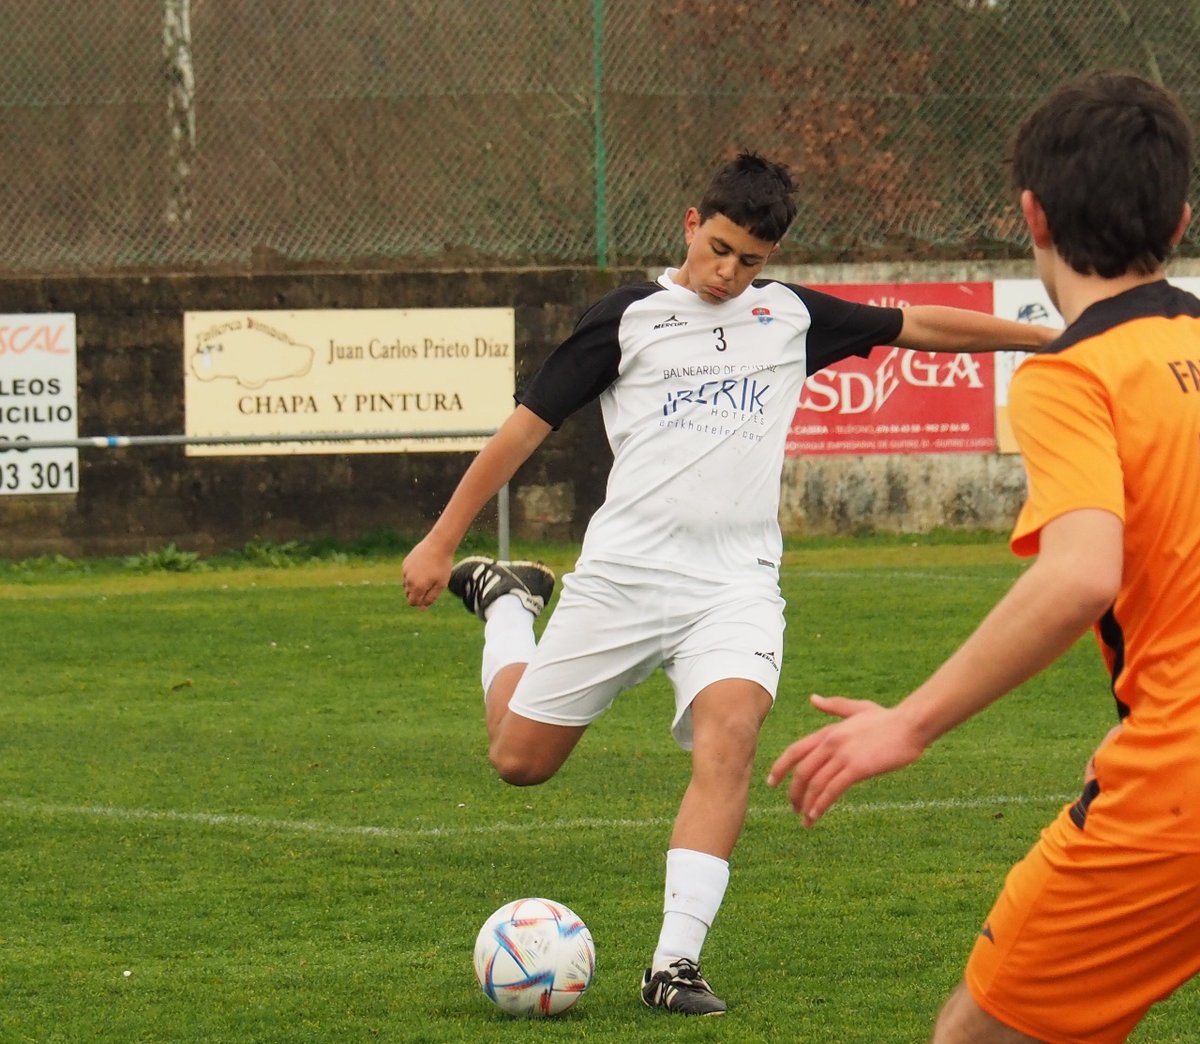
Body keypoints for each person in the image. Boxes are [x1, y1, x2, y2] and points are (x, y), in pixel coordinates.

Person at [403, 151, 1056, 1015]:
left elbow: (919, 326)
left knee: (733, 734)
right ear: (689, 224)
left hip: (733, 587)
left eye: (749, 260)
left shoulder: (786, 316)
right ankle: (509, 605)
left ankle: (673, 964)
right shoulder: (626, 319)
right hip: (623, 580)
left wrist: (1055, 339)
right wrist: (442, 540)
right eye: (717, 249)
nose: (727, 272)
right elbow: (523, 431)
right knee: (518, 761)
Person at [767, 70, 1200, 1043]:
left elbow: (1083, 571)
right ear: (1179, 219)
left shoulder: (1073, 375)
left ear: (1032, 214)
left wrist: (910, 723)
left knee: (975, 1033)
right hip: (1170, 761)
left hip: (1180, 793)